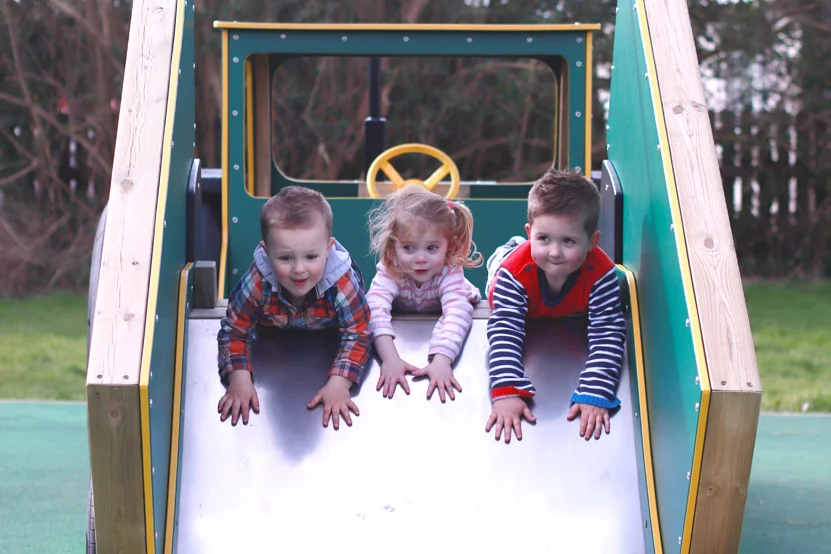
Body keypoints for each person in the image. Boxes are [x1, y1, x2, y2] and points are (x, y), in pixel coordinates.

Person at [484, 167, 626, 443]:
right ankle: (513, 247)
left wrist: (596, 391)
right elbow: (505, 331)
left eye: (569, 241)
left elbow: (608, 334)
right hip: (513, 273)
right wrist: (507, 390)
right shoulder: (513, 276)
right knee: (504, 269)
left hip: (563, 295)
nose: (555, 252)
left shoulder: (602, 274)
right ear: (530, 233)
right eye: (544, 238)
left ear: (592, 242)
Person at [216, 186, 371, 430]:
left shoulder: (342, 283)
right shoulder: (257, 281)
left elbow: (358, 332)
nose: (299, 269)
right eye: (286, 258)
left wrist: (340, 383)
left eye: (311, 257)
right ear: (267, 253)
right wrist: (239, 378)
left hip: (327, 329)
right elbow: (235, 329)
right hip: (275, 333)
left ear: (328, 249)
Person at [366, 184, 483, 402]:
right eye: (409, 248)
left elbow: (457, 312)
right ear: (393, 247)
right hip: (405, 332)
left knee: (462, 303)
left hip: (443, 323)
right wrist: (390, 359)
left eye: (431, 248)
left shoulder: (449, 271)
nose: (420, 259)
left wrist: (441, 360)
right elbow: (374, 309)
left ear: (448, 247)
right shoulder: (392, 268)